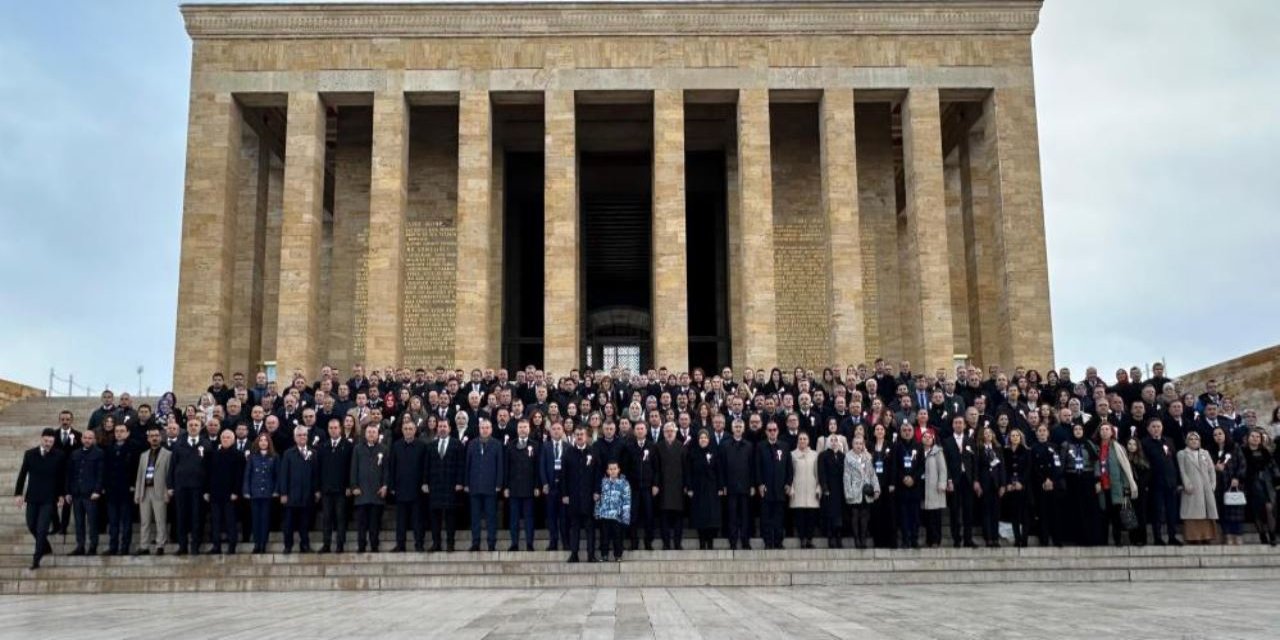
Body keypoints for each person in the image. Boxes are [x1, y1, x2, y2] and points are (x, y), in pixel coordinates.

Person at [14, 428, 67, 570]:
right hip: (32, 497)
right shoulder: (30, 454)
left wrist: (61, 494)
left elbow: (61, 477)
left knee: (42, 528)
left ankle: (36, 558)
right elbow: (22, 474)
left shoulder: (59, 455)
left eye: (51, 441)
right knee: (31, 525)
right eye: (46, 441)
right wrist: (18, 494)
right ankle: (46, 546)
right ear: (41, 439)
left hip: (49, 499)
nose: (49, 443)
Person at [168, 417, 211, 555]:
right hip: (181, 486)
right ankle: (182, 545)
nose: (193, 427)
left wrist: (207, 488)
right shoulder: (179, 444)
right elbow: (172, 466)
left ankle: (195, 546)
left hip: (199, 487)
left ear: (201, 427)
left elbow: (210, 467)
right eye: (191, 425)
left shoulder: (206, 444)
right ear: (186, 427)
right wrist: (170, 486)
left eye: (196, 425)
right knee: (181, 517)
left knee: (197, 517)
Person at [277, 426, 321, 554]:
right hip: (291, 495)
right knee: (289, 523)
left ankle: (305, 545)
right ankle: (288, 546)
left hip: (307, 494)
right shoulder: (288, 453)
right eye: (300, 435)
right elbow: (283, 474)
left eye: (304, 435)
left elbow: (316, 474)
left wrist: (317, 490)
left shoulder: (313, 453)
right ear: (295, 437)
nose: (302, 437)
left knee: (305, 523)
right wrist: (283, 493)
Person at [464, 419, 505, 552]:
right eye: (482, 428)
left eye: (487, 427)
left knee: (491, 516)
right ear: (479, 429)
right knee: (475, 516)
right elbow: (467, 465)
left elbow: (500, 465)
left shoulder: (497, 444)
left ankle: (491, 542)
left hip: (490, 486)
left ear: (491, 429)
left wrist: (499, 483)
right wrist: (466, 483)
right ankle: (475, 542)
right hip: (474, 485)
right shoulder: (472, 443)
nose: (484, 430)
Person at [1141, 420, 1183, 546]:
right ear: (1148, 429)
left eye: (1158, 426)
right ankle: (1157, 537)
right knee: (1157, 511)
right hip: (1154, 482)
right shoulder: (1144, 443)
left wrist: (1178, 481)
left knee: (1172, 511)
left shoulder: (1168, 441)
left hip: (1171, 481)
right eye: (1153, 426)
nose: (1156, 429)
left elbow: (1174, 462)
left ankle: (1172, 536)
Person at [388, 421, 428, 552]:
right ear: (402, 430)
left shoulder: (422, 446)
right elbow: (392, 467)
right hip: (400, 488)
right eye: (406, 428)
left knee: (418, 520)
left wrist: (424, 483)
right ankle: (400, 544)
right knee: (401, 520)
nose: (408, 431)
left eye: (411, 428)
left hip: (417, 489)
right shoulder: (396, 446)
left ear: (415, 430)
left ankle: (419, 544)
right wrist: (392, 485)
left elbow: (425, 467)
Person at [1096, 423, 1137, 547]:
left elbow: (1124, 468)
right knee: (1103, 515)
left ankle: (1118, 540)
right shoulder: (1096, 447)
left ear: (1112, 432)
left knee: (1116, 516)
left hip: (1116, 487)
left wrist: (1126, 486)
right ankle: (1102, 540)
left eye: (1107, 429)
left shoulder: (1118, 447)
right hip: (1102, 487)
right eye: (1102, 429)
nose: (1104, 432)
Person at [64, 428, 104, 556]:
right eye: (85, 438)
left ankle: (93, 546)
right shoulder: (75, 454)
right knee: (79, 522)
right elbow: (69, 474)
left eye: (90, 438)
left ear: (94, 440)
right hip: (76, 494)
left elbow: (100, 474)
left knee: (92, 522)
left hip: (91, 494)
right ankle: (80, 546)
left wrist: (97, 490)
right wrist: (68, 492)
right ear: (81, 439)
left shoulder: (99, 453)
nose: (87, 440)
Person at [350, 423, 389, 553]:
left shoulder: (383, 449)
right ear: (365, 434)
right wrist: (354, 486)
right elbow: (353, 469)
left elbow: (386, 470)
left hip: (377, 492)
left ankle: (374, 545)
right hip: (361, 492)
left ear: (378, 434)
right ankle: (361, 545)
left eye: (374, 432)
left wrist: (385, 485)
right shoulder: (357, 449)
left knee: (375, 523)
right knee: (361, 523)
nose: (371, 434)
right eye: (369, 432)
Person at [425, 419, 463, 552]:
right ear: (437, 428)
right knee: (435, 517)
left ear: (449, 428)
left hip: (451, 486)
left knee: (450, 516)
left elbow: (460, 465)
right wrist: (425, 482)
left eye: (444, 426)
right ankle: (436, 543)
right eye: (440, 426)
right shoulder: (431, 445)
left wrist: (459, 482)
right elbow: (426, 466)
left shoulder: (457, 444)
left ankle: (450, 543)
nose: (442, 428)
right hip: (435, 486)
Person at [563, 424, 599, 562]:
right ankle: (574, 554)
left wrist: (597, 491)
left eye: (581, 434)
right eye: (577, 434)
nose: (579, 436)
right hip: (573, 496)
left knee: (590, 527)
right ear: (574, 436)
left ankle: (591, 554)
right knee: (575, 527)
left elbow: (597, 473)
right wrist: (565, 494)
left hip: (589, 497)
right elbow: (564, 475)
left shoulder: (592, 452)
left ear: (586, 436)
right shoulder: (568, 453)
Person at [134, 426, 172, 556]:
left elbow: (169, 474)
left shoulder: (168, 454)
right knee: (145, 521)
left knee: (160, 519)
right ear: (148, 439)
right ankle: (144, 545)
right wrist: (138, 493)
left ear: (161, 438)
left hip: (160, 490)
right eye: (152, 436)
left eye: (156, 435)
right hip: (145, 491)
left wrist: (167, 491)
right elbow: (140, 475)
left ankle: (160, 544)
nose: (154, 438)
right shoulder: (143, 455)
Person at [316, 418, 353, 553]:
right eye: (331, 428)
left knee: (340, 518)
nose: (333, 430)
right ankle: (326, 544)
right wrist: (318, 488)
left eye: (336, 427)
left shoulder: (348, 446)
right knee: (326, 518)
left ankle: (340, 544)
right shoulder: (322, 446)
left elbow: (351, 468)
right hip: (326, 489)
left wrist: (350, 486)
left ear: (340, 429)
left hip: (342, 489)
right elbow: (318, 469)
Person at [940, 415, 977, 548]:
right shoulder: (947, 441)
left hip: (967, 480)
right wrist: (948, 479)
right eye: (956, 423)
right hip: (954, 481)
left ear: (965, 425)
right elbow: (945, 463)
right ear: (952, 426)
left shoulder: (970, 441)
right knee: (954, 511)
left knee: (968, 511)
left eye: (961, 423)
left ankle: (968, 539)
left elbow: (974, 462)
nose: (958, 425)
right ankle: (956, 538)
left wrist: (975, 480)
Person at [756, 421, 793, 550]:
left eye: (774, 430)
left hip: (780, 488)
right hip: (766, 488)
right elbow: (758, 467)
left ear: (778, 431)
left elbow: (789, 467)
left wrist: (788, 483)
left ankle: (778, 541)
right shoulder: (760, 447)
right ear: (766, 432)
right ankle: (768, 542)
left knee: (779, 517)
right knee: (766, 517)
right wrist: (760, 484)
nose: (772, 432)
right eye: (769, 430)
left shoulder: (784, 446)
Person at [1061, 422, 1100, 546]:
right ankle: (1075, 537)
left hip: (1087, 478)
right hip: (1071, 478)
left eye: (1080, 429)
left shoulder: (1089, 444)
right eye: (1075, 429)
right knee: (1074, 507)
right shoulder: (1066, 445)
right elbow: (1061, 463)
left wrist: (1097, 480)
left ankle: (1089, 537)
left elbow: (1096, 462)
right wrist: (1061, 480)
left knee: (1088, 509)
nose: (1078, 431)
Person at [102, 422, 137, 556]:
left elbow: (135, 468)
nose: (119, 433)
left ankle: (124, 547)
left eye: (122, 431)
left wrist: (133, 485)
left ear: (127, 433)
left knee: (126, 521)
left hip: (127, 490)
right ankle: (113, 546)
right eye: (117, 431)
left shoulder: (133, 448)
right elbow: (105, 469)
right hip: (111, 490)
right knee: (113, 521)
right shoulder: (109, 448)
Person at [622, 421, 658, 551]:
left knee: (649, 515)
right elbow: (625, 468)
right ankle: (634, 542)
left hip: (648, 487)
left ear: (646, 431)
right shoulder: (629, 447)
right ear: (634, 431)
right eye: (637, 429)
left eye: (642, 428)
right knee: (633, 516)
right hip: (634, 487)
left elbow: (656, 468)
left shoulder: (652, 446)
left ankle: (648, 542)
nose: (640, 431)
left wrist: (655, 484)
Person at [505, 419, 540, 551]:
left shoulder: (535, 445)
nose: (523, 429)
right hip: (513, 488)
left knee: (529, 518)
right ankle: (514, 543)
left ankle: (529, 543)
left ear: (529, 429)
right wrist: (506, 487)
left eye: (525, 427)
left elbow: (537, 467)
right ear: (517, 429)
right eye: (520, 427)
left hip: (529, 488)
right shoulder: (510, 445)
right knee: (513, 518)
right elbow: (506, 467)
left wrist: (537, 486)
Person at [1177, 432, 1218, 544]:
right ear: (1187, 441)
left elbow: (1211, 470)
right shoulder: (1182, 453)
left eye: (1196, 439)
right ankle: (1193, 537)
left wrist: (1212, 484)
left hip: (1205, 488)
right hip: (1192, 487)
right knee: (1192, 511)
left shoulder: (1205, 453)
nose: (1194, 441)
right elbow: (1182, 471)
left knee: (1206, 511)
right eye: (1191, 439)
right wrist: (1187, 484)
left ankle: (1206, 536)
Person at [686, 429, 724, 550]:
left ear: (709, 440)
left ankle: (710, 540)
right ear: (698, 440)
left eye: (705, 438)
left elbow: (719, 471)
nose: (703, 440)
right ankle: (702, 541)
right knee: (700, 516)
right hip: (698, 488)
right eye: (701, 438)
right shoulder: (692, 453)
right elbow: (689, 472)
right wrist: (689, 487)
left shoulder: (714, 452)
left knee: (712, 516)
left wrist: (720, 487)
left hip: (712, 488)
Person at [1208, 426, 1246, 545]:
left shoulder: (1234, 447)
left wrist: (1237, 477)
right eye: (1215, 435)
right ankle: (1227, 535)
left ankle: (1238, 535)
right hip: (1218, 485)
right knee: (1223, 511)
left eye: (1220, 434)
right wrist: (1214, 467)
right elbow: (1207, 466)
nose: (1218, 436)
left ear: (1225, 434)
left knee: (1236, 511)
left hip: (1233, 484)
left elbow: (1242, 464)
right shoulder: (1210, 450)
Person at [720, 419, 754, 550]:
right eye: (736, 427)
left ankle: (745, 541)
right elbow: (722, 467)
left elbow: (752, 467)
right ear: (732, 429)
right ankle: (733, 541)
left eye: (740, 426)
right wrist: (723, 485)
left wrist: (752, 485)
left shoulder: (749, 446)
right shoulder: (725, 445)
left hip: (745, 487)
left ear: (743, 429)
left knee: (745, 516)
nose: (738, 429)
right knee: (732, 515)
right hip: (730, 487)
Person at [242, 432, 278, 554]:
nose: (263, 442)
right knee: (256, 520)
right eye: (261, 440)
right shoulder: (252, 457)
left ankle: (263, 544)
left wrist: (276, 490)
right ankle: (257, 544)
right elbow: (248, 474)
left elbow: (277, 476)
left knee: (265, 520)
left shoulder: (274, 457)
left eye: (265, 440)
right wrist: (246, 490)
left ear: (269, 443)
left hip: (267, 493)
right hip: (255, 493)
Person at [1029, 423, 1064, 547]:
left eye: (1044, 430)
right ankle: (1044, 540)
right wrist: (1043, 480)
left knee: (1055, 513)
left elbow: (1058, 465)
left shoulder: (1054, 447)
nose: (1042, 432)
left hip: (1053, 485)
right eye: (1040, 430)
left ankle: (1057, 540)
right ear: (1036, 433)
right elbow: (1033, 469)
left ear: (1048, 433)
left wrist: (1052, 480)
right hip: (1040, 486)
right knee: (1042, 514)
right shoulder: (1032, 449)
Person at [891, 423, 925, 549]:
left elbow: (922, 466)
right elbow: (894, 466)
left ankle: (914, 539)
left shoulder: (919, 446)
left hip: (915, 486)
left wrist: (913, 478)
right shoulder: (896, 446)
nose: (907, 432)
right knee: (904, 515)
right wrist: (903, 478)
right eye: (904, 430)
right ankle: (905, 540)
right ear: (900, 432)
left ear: (913, 431)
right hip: (901, 486)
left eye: (909, 430)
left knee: (915, 515)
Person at [842, 435, 879, 549]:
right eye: (856, 443)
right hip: (855, 490)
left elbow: (872, 474)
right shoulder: (848, 457)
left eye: (860, 443)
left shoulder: (867, 457)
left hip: (866, 491)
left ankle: (863, 539)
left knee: (865, 516)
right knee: (855, 516)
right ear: (852, 445)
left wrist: (876, 489)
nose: (858, 445)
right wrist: (848, 492)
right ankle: (856, 539)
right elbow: (846, 476)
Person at [1241, 430, 1277, 546]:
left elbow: (1273, 467)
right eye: (1253, 436)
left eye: (1258, 436)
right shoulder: (1243, 451)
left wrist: (1277, 480)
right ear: (1248, 438)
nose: (1255, 438)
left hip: (1266, 483)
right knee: (1256, 511)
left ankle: (1272, 534)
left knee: (1269, 507)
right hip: (1250, 484)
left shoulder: (1265, 451)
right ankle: (1262, 534)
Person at [654, 422, 687, 550]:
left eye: (671, 430)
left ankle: (677, 543)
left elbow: (686, 468)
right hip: (663, 487)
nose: (669, 433)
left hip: (678, 487)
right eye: (667, 430)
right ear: (663, 432)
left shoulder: (681, 447)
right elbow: (656, 468)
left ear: (675, 431)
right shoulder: (658, 447)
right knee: (664, 518)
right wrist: (656, 484)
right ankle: (666, 543)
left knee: (678, 517)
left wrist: (686, 485)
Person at [539, 421, 570, 551]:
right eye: (554, 429)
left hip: (563, 488)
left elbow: (570, 469)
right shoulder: (545, 446)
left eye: (559, 429)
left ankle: (566, 542)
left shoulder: (568, 446)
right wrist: (545, 483)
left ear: (562, 431)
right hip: (550, 486)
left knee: (564, 517)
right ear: (550, 432)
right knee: (551, 517)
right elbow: (542, 466)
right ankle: (553, 542)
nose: (556, 431)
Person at [974, 425, 1005, 547]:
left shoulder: (997, 448)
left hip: (996, 484)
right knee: (986, 511)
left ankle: (995, 537)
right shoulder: (979, 449)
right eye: (985, 433)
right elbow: (976, 466)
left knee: (996, 512)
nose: (988, 435)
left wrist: (1003, 484)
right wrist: (976, 482)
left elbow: (1002, 467)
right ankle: (988, 538)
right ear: (982, 436)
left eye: (989, 433)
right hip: (984, 483)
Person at [594, 460, 632, 562]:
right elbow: (598, 499)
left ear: (619, 470)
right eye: (610, 469)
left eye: (615, 469)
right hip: (605, 515)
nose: (613, 471)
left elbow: (627, 501)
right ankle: (604, 555)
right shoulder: (603, 482)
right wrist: (597, 512)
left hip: (617, 515)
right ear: (607, 471)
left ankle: (618, 555)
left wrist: (626, 517)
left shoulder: (624, 483)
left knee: (617, 537)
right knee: (604, 537)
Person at [1002, 428, 1032, 547]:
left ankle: (1024, 539)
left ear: (1020, 438)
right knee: (1014, 514)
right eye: (1012, 436)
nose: (1014, 438)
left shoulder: (1026, 451)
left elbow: (1028, 469)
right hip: (1011, 487)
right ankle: (1017, 538)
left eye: (1017, 436)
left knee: (1025, 515)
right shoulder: (1005, 452)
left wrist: (1021, 482)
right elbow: (1004, 469)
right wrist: (1008, 483)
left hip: (1023, 487)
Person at [817, 433, 846, 548]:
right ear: (829, 442)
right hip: (829, 488)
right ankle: (830, 537)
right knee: (830, 514)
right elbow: (821, 472)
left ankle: (838, 536)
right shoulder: (823, 455)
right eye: (832, 440)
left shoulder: (842, 456)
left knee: (839, 514)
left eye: (836, 440)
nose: (834, 442)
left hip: (839, 488)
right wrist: (824, 487)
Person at [920, 430, 948, 548]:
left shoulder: (937, 452)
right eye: (925, 437)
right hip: (923, 488)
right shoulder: (919, 452)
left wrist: (942, 483)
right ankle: (929, 539)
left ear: (933, 439)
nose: (927, 439)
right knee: (926, 517)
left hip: (934, 488)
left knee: (935, 516)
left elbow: (943, 469)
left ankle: (936, 540)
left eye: (929, 437)